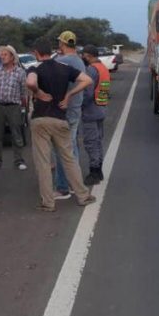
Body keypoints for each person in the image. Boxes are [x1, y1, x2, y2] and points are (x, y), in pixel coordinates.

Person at [26, 37, 96, 211]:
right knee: (69, 158)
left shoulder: (35, 68)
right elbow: (87, 80)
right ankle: (82, 195)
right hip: (60, 118)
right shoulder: (65, 68)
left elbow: (30, 82)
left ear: (36, 53)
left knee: (43, 162)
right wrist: (69, 95)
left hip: (40, 119)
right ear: (51, 51)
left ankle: (48, 202)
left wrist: (38, 92)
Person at [52, 31, 85, 199]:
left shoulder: (61, 62)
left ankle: (63, 186)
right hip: (76, 108)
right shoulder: (79, 61)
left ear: (62, 44)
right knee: (72, 147)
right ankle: (75, 183)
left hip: (63, 109)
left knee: (61, 148)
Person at [0, 45, 28, 171]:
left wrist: (23, 107)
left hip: (14, 106)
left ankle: (19, 160)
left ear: (12, 57)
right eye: (1, 55)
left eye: (5, 54)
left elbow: (23, 91)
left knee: (16, 134)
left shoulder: (20, 72)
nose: (2, 57)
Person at [80, 45, 110, 185]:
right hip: (101, 108)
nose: (83, 58)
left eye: (84, 55)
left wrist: (79, 104)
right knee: (98, 141)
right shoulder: (103, 67)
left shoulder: (91, 70)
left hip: (91, 110)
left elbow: (87, 92)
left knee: (91, 142)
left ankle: (94, 172)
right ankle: (99, 170)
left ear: (89, 56)